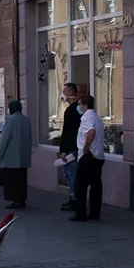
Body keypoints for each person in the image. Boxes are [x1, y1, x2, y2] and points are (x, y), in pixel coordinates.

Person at [70, 95, 104, 222]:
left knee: (81, 186)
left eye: (79, 105)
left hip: (88, 155)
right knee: (95, 185)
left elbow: (91, 132)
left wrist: (86, 147)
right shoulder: (96, 117)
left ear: (85, 105)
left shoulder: (87, 117)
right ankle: (94, 213)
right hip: (98, 156)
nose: (78, 107)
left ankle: (81, 213)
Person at [0, 100, 32, 209]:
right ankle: (21, 199)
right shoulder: (26, 120)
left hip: (12, 156)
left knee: (12, 179)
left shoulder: (10, 120)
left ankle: (15, 200)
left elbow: (5, 137)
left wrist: (0, 152)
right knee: (21, 179)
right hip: (24, 155)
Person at [58, 83, 81, 211]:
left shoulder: (71, 110)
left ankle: (75, 200)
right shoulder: (77, 109)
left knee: (71, 175)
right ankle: (74, 199)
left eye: (64, 91)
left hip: (72, 149)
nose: (63, 94)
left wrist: (64, 151)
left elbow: (68, 132)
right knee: (71, 175)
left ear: (70, 93)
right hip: (76, 148)